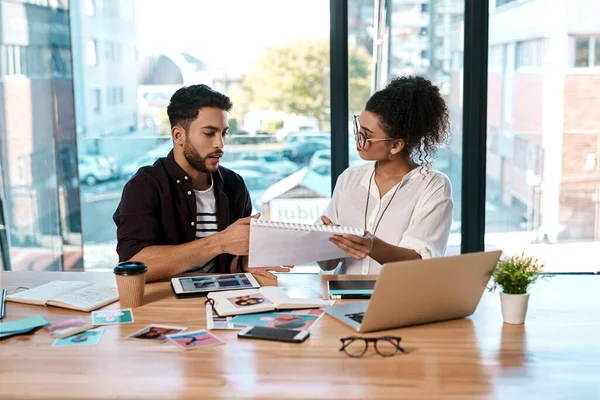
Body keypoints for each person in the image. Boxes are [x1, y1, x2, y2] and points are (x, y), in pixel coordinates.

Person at [113, 84, 291, 282]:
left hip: (224, 302)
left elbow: (228, 262)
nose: (220, 144)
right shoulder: (145, 186)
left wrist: (243, 263)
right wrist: (218, 243)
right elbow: (133, 264)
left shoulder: (234, 184)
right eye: (209, 133)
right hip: (166, 304)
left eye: (223, 133)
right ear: (178, 135)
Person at [319, 76, 453, 275]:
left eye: (367, 135)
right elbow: (327, 265)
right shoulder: (349, 179)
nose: (358, 140)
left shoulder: (433, 186)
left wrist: (372, 246)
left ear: (396, 145)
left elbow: (421, 262)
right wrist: (328, 243)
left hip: (399, 300)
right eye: (358, 129)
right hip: (344, 299)